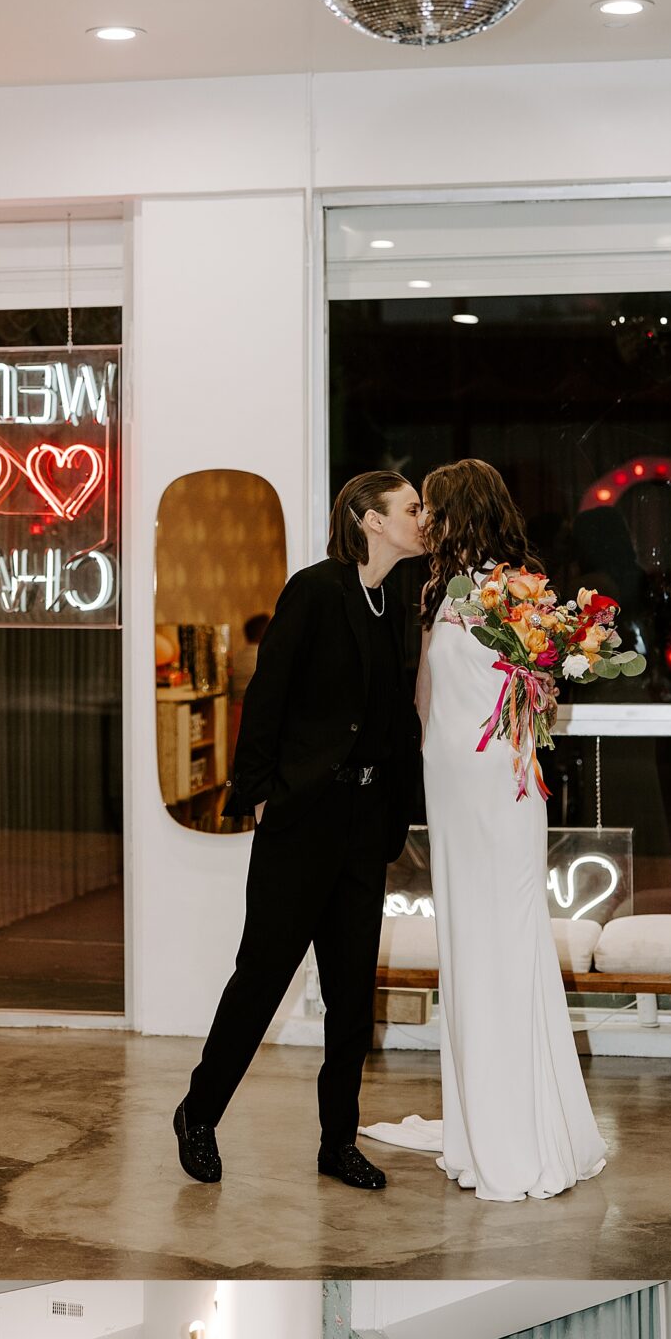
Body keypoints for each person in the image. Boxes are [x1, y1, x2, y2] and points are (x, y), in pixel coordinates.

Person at [174, 472, 425, 1194]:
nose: (422, 519)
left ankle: (336, 1143)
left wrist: (392, 814)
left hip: (363, 826)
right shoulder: (316, 591)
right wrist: (258, 798)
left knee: (350, 997)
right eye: (411, 509)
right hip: (303, 819)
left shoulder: (394, 603)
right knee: (262, 979)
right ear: (369, 521)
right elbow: (268, 693)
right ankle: (199, 1112)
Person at [413, 458, 607, 1202]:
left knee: (506, 941)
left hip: (502, 784)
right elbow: (430, 698)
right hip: (454, 785)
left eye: (433, 507)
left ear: (460, 511)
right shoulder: (445, 592)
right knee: (470, 942)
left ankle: (520, 1137)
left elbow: (536, 699)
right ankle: (484, 1127)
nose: (425, 521)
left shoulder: (514, 589)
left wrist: (539, 686)